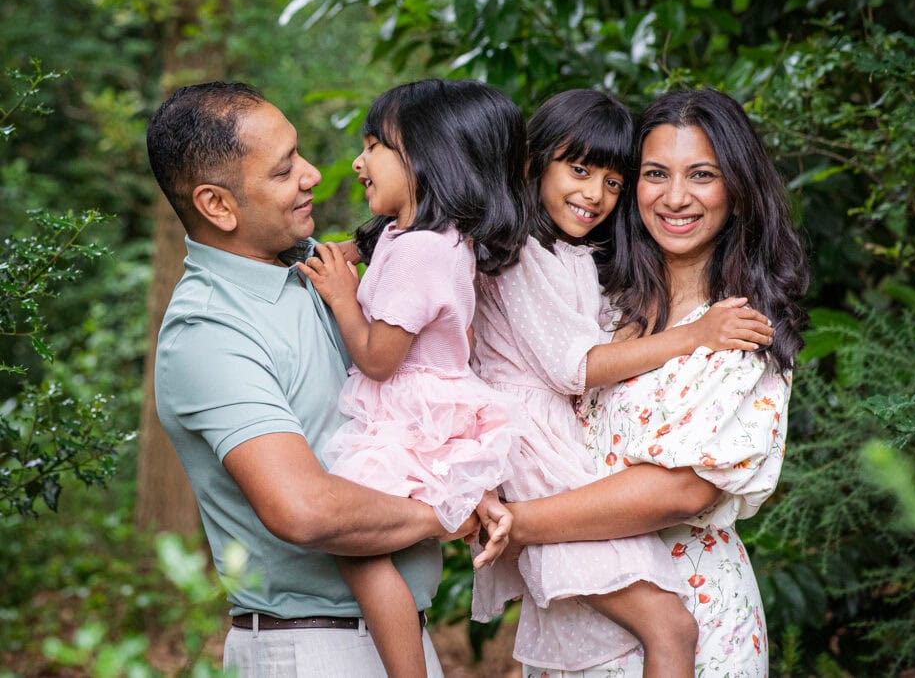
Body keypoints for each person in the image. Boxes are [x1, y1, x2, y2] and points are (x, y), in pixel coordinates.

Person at [148, 81, 490, 677]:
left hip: (395, 638)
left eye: (298, 155)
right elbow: (304, 509)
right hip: (311, 649)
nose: (311, 175)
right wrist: (447, 511)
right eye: (283, 171)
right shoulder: (210, 330)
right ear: (217, 205)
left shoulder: (317, 269)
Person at [468, 89, 776, 676]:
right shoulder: (598, 297)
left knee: (671, 631)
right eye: (656, 173)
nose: (676, 196)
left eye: (702, 175)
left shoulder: (740, 323)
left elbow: (685, 491)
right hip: (575, 609)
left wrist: (519, 522)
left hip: (693, 603)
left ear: (736, 189)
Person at [296, 79, 528, 678]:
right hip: (414, 414)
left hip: (409, 419)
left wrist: (343, 299)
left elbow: (378, 358)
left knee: (357, 546)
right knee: (372, 551)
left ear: (430, 157)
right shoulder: (407, 236)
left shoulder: (427, 249)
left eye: (375, 146)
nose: (358, 161)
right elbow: (367, 254)